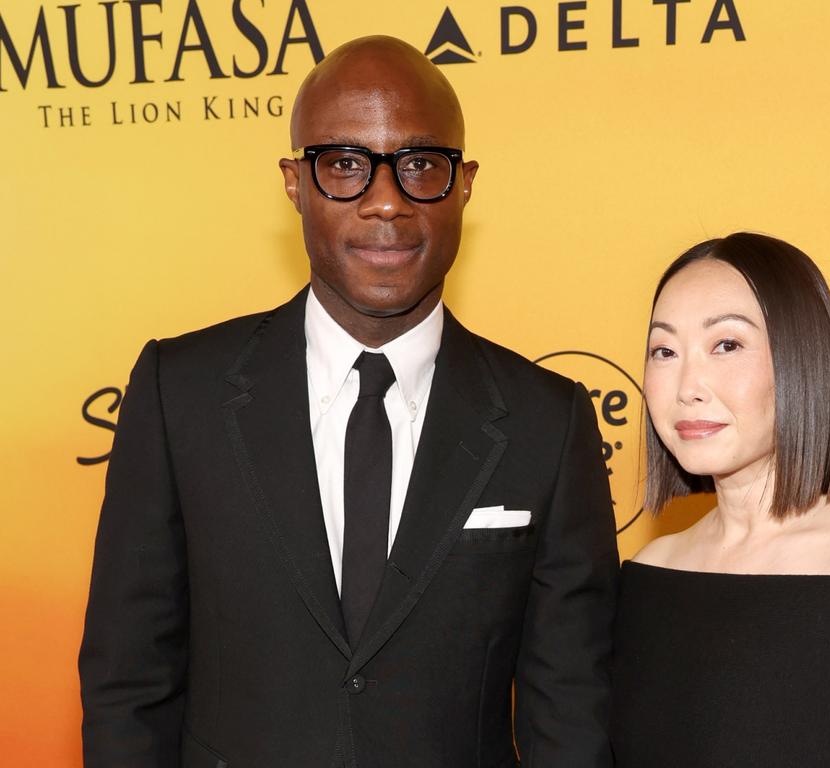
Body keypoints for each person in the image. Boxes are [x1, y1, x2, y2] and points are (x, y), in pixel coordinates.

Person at [79, 36, 619, 768]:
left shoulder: (546, 423)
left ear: (465, 184)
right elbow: (128, 687)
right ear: (295, 182)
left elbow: (571, 715)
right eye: (345, 166)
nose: (387, 202)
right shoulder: (182, 394)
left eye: (421, 165)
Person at [610, 233, 830, 767]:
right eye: (665, 351)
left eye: (727, 345)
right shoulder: (651, 568)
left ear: (800, 360)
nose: (687, 385)